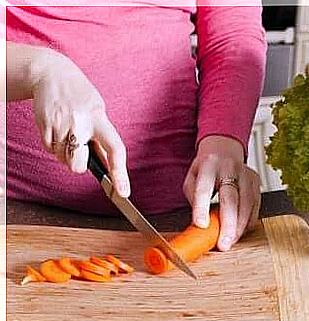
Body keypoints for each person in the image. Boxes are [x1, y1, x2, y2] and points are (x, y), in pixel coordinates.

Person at [6, 2, 267, 252]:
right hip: (14, 213)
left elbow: (233, 31)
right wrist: (40, 70)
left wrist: (223, 140)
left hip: (173, 220)